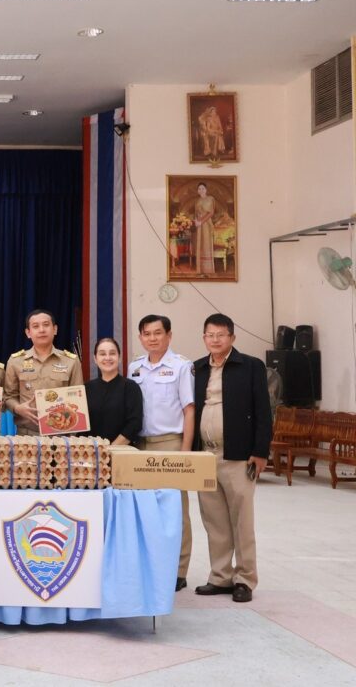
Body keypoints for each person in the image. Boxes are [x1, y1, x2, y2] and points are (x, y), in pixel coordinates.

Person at [192, 314, 271, 603]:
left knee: (242, 521)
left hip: (238, 455)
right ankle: (220, 576)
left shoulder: (250, 366)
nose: (215, 340)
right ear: (204, 338)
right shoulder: (198, 368)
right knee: (214, 520)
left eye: (221, 335)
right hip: (205, 454)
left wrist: (260, 451)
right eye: (210, 335)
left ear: (232, 337)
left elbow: (263, 411)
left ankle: (245, 579)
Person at [128, 314, 195, 592]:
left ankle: (178, 570)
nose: (152, 338)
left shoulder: (181, 366)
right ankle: (151, 565)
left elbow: (189, 410)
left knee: (176, 510)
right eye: (147, 334)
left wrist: (185, 452)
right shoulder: (134, 368)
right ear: (140, 337)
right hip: (140, 446)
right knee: (145, 509)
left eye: (158, 333)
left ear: (169, 335)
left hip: (171, 444)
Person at [3, 309, 84, 436]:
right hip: (26, 436)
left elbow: (78, 399)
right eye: (36, 326)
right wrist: (17, 408)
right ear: (28, 333)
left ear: (55, 329)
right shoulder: (15, 361)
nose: (41, 330)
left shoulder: (71, 361)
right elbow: (8, 396)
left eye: (46, 325)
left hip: (62, 435)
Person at [85, 337, 142, 445]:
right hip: (91, 452)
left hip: (122, 452)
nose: (107, 358)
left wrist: (111, 449)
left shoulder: (130, 387)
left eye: (112, 353)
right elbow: (82, 426)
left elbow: (134, 424)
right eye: (102, 354)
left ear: (119, 357)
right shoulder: (86, 388)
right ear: (95, 359)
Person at [193, 182, 216, 276]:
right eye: (199, 189)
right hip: (199, 225)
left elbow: (211, 213)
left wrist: (201, 222)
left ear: (206, 190)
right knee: (200, 245)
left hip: (206, 224)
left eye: (203, 188)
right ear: (197, 191)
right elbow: (196, 213)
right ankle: (200, 270)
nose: (201, 190)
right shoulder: (197, 201)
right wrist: (196, 221)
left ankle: (208, 270)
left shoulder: (210, 199)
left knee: (206, 244)